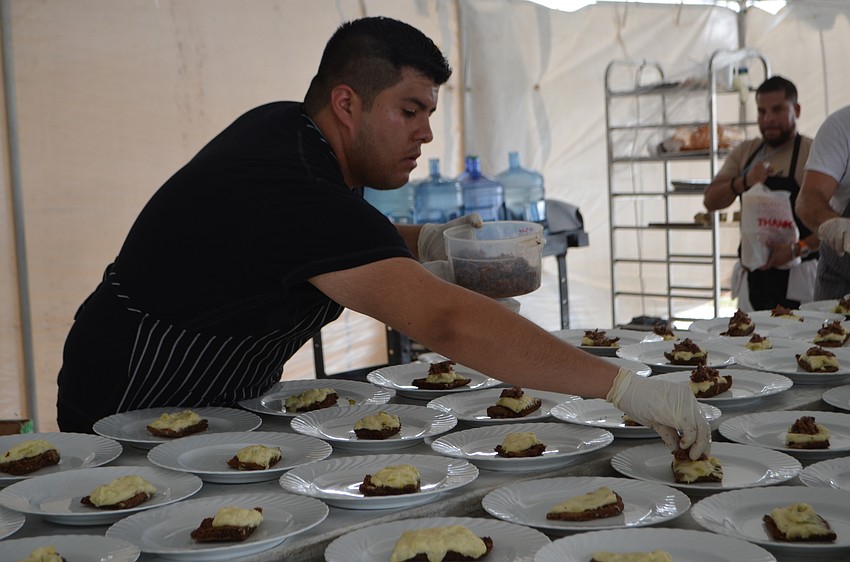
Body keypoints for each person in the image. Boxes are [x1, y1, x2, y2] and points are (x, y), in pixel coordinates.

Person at [56, 17, 709, 459]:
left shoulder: (292, 136)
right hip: (134, 400)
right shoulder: (287, 179)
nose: (425, 133)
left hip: (216, 401)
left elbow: (321, 241)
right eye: (409, 110)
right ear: (347, 103)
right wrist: (624, 388)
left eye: (429, 114)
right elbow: (447, 322)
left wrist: (424, 240)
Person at [703, 76, 818, 311]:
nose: (768, 119)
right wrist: (744, 181)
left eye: (777, 110)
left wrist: (798, 248)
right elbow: (710, 200)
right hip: (754, 279)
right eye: (761, 112)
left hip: (799, 277)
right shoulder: (747, 152)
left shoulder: (813, 153)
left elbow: (836, 224)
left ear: (796, 109)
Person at [796, 105, 850, 299]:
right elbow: (809, 198)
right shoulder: (841, 126)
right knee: (833, 330)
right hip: (844, 275)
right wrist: (836, 226)